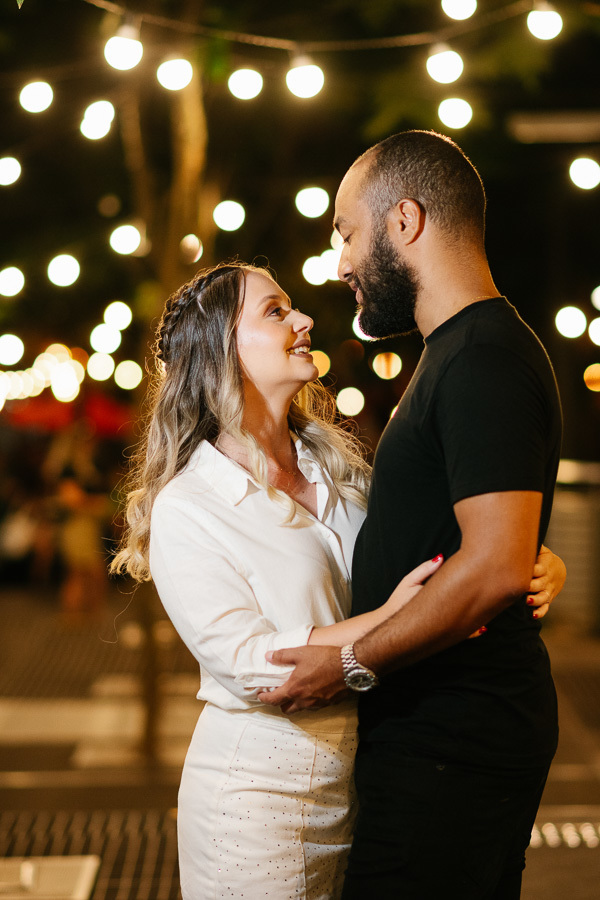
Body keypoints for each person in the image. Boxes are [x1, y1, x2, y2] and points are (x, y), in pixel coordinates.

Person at [111, 260, 564, 900]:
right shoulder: (189, 505)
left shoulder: (336, 470)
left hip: (358, 784)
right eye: (274, 312)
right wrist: (388, 619)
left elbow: (426, 554)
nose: (303, 320)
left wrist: (531, 556)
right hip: (256, 800)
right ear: (221, 349)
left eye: (292, 305)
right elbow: (253, 666)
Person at [260, 131, 564, 899]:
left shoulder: (483, 355)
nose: (341, 265)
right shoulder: (456, 353)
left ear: (405, 221)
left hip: (455, 738)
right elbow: (488, 537)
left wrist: (352, 663)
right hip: (440, 735)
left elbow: (493, 565)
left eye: (348, 233)